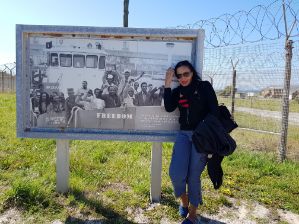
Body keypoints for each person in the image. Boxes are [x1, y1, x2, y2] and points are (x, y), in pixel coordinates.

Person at [164, 60, 219, 224]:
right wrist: (167, 84)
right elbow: (168, 107)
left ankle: (193, 215)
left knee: (193, 176)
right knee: (176, 173)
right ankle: (184, 201)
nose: (182, 78)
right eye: (179, 75)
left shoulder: (204, 87)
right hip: (183, 135)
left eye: (186, 74)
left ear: (192, 73)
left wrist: (205, 133)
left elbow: (214, 111)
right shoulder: (177, 91)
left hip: (201, 136)